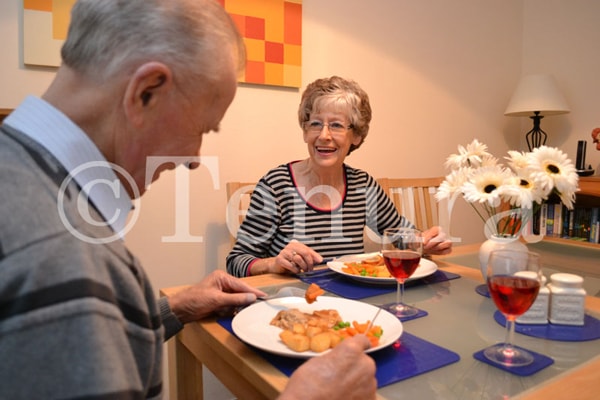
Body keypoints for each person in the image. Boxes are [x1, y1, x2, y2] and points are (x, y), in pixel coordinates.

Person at [0, 1, 376, 399]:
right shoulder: (62, 257)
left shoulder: (30, 187)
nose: (195, 159)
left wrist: (173, 308)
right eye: (202, 127)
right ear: (145, 92)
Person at [226, 76, 452, 277]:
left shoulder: (362, 185)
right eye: (315, 124)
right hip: (292, 304)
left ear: (356, 136)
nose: (324, 136)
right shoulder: (276, 186)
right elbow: (237, 261)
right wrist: (273, 264)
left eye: (336, 125)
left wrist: (426, 242)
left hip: (352, 303)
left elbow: (401, 236)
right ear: (305, 132)